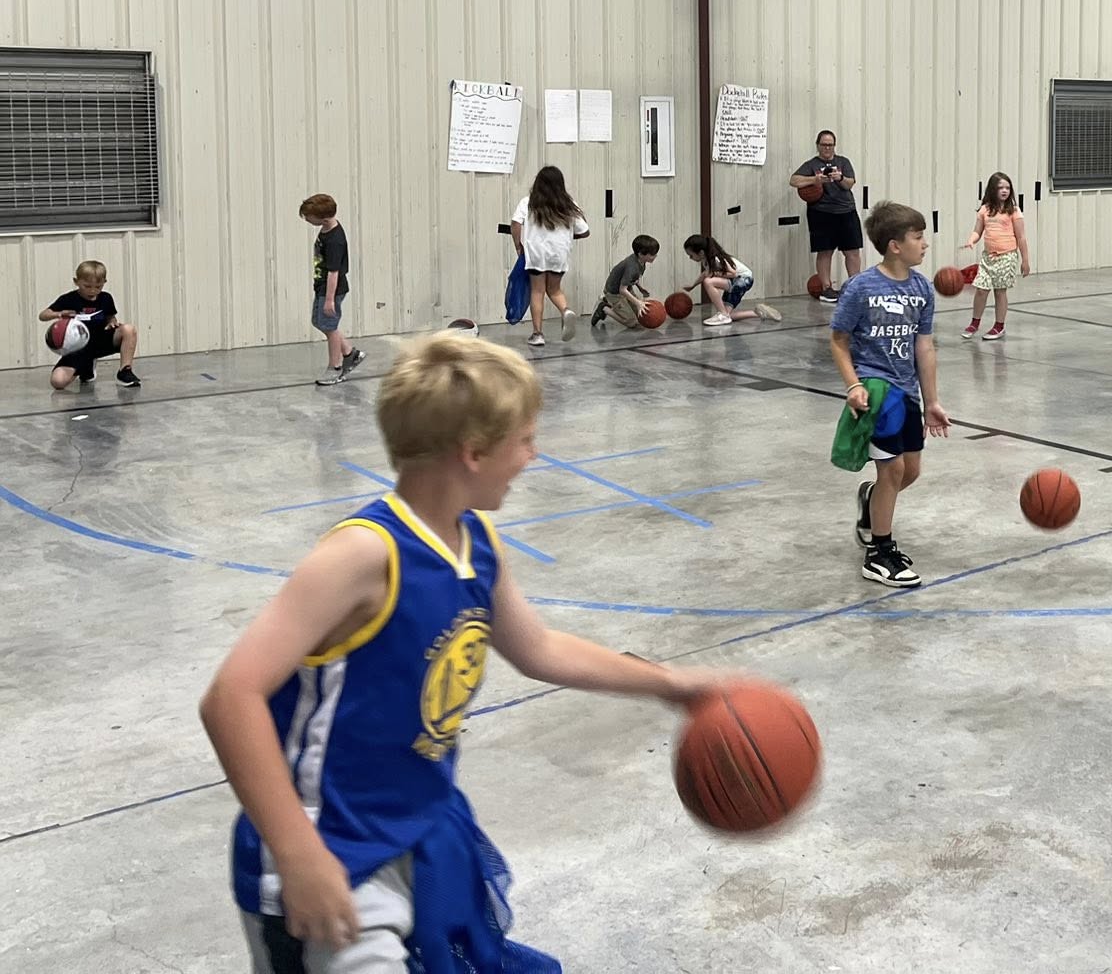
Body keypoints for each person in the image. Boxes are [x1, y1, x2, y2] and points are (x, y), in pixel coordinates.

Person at [200, 332, 739, 972]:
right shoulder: (364, 554)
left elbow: (539, 648)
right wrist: (298, 854)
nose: (534, 456)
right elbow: (230, 697)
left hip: (419, 827)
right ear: (474, 452)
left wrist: (671, 684)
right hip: (330, 850)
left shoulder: (475, 540)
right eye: (525, 440)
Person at [831, 202, 951, 587]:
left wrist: (931, 401)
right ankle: (879, 553)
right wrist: (853, 384)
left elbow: (924, 347)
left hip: (907, 391)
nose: (925, 244)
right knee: (893, 469)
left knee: (909, 471)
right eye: (918, 237)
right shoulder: (861, 287)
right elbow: (838, 339)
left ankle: (871, 501)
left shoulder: (922, 289)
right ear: (895, 246)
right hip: (877, 390)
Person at [509, 167, 589, 348]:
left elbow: (515, 223)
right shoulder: (569, 205)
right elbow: (585, 231)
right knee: (554, 290)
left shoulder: (528, 202)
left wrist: (518, 245)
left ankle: (537, 334)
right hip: (559, 253)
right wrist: (568, 236)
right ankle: (565, 310)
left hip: (536, 253)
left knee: (537, 291)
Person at [40, 259, 141, 389]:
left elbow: (111, 317)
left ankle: (125, 371)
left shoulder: (106, 298)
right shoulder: (68, 299)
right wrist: (59, 314)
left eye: (98, 287)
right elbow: (43, 315)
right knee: (57, 382)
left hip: (100, 341)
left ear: (104, 282)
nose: (92, 291)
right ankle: (86, 366)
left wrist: (112, 323)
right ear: (76, 281)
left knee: (128, 329)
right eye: (87, 286)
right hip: (78, 348)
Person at [301, 194, 366, 387]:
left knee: (330, 326)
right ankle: (350, 353)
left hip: (332, 289)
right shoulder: (326, 230)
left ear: (323, 218)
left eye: (309, 217)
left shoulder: (335, 240)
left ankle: (335, 368)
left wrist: (329, 299)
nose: (307, 220)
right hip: (322, 287)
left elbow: (333, 272)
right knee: (319, 322)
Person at [790, 130, 860, 300]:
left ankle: (856, 287)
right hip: (821, 213)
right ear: (818, 145)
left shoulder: (843, 162)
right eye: (824, 145)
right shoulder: (811, 165)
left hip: (846, 210)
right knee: (825, 251)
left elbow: (850, 183)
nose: (827, 148)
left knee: (852, 251)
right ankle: (826, 289)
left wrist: (840, 177)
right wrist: (815, 180)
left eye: (830, 145)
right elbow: (793, 180)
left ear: (834, 146)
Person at [960, 171, 1030, 341]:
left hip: (1007, 256)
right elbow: (978, 231)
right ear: (992, 189)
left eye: (1007, 188)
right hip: (988, 258)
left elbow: (1021, 237)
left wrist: (1025, 260)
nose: (1004, 191)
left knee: (1000, 292)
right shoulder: (985, 210)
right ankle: (975, 322)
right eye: (1000, 188)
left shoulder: (1014, 211)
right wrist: (971, 240)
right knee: (981, 290)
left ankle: (999, 326)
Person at [681, 233, 782, 328]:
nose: (690, 258)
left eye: (691, 255)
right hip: (739, 281)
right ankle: (759, 313)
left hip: (743, 279)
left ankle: (722, 313)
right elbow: (705, 274)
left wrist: (715, 274)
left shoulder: (716, 259)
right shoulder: (706, 261)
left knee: (708, 281)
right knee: (728, 316)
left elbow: (733, 273)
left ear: (701, 252)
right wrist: (693, 286)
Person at [593, 234, 660, 331]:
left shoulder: (641, 261)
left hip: (627, 288)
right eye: (652, 254)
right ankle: (603, 308)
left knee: (640, 314)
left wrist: (640, 288)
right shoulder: (631, 266)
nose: (655, 256)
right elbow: (622, 290)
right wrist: (638, 303)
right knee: (632, 322)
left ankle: (611, 305)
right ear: (641, 254)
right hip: (614, 293)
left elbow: (634, 278)